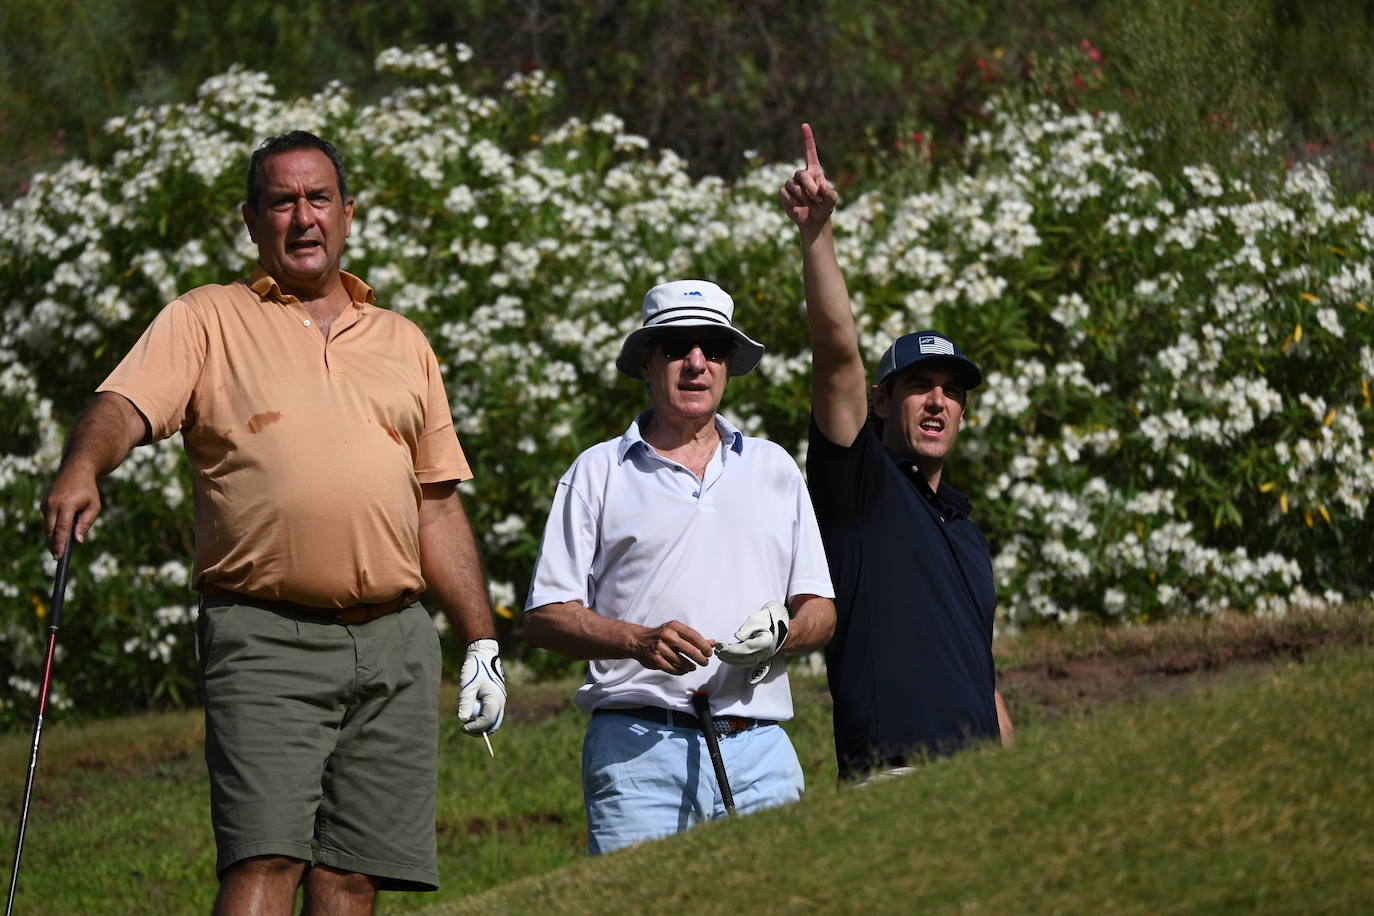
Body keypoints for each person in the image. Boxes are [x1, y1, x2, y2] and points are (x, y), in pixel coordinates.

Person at [40, 131, 507, 912]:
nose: (303, 218)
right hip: (264, 635)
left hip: (394, 642)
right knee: (266, 863)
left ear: (348, 215)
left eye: (318, 198)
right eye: (282, 201)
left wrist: (483, 641)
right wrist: (84, 464)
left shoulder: (402, 341)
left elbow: (437, 503)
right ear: (253, 220)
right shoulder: (205, 320)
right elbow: (122, 406)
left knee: (351, 876)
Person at [523, 279, 836, 854]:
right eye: (677, 347)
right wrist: (635, 640)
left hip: (761, 745)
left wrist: (781, 635)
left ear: (728, 365)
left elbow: (820, 608)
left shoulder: (774, 468)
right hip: (638, 748)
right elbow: (545, 615)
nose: (696, 363)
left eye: (713, 348)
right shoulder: (598, 472)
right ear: (647, 362)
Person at [778, 124, 1014, 782]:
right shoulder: (862, 488)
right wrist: (816, 234)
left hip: (979, 779)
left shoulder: (965, 529)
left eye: (951, 392)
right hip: (896, 774)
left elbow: (982, 674)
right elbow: (837, 353)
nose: (937, 402)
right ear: (882, 403)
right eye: (917, 388)